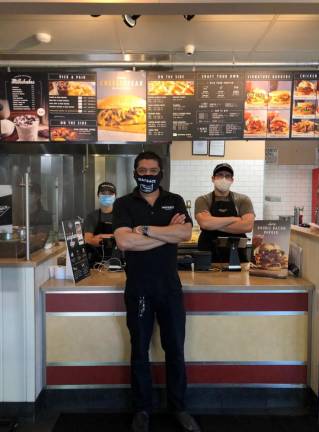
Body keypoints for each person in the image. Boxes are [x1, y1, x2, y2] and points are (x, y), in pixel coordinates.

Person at [113, 152, 201, 432]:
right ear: (134, 172)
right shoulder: (124, 203)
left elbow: (185, 234)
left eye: (153, 170)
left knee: (174, 348)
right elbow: (125, 242)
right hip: (138, 288)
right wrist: (165, 235)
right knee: (139, 350)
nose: (148, 174)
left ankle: (179, 407)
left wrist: (147, 231)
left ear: (161, 173)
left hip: (169, 289)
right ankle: (142, 409)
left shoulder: (173, 201)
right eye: (142, 170)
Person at [195, 163, 255, 263]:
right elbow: (204, 223)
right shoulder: (203, 200)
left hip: (236, 255)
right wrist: (234, 219)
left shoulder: (243, 200)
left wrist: (212, 224)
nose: (224, 178)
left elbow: (248, 226)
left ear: (232, 180)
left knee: (237, 278)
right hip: (208, 253)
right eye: (220, 175)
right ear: (213, 178)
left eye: (227, 176)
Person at [84, 182, 116, 266]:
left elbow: (126, 238)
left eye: (110, 194)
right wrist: (114, 237)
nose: (107, 196)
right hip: (96, 263)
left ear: (115, 196)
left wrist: (100, 236)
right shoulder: (91, 217)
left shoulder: (122, 215)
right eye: (103, 193)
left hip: (118, 261)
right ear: (98, 195)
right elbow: (87, 240)